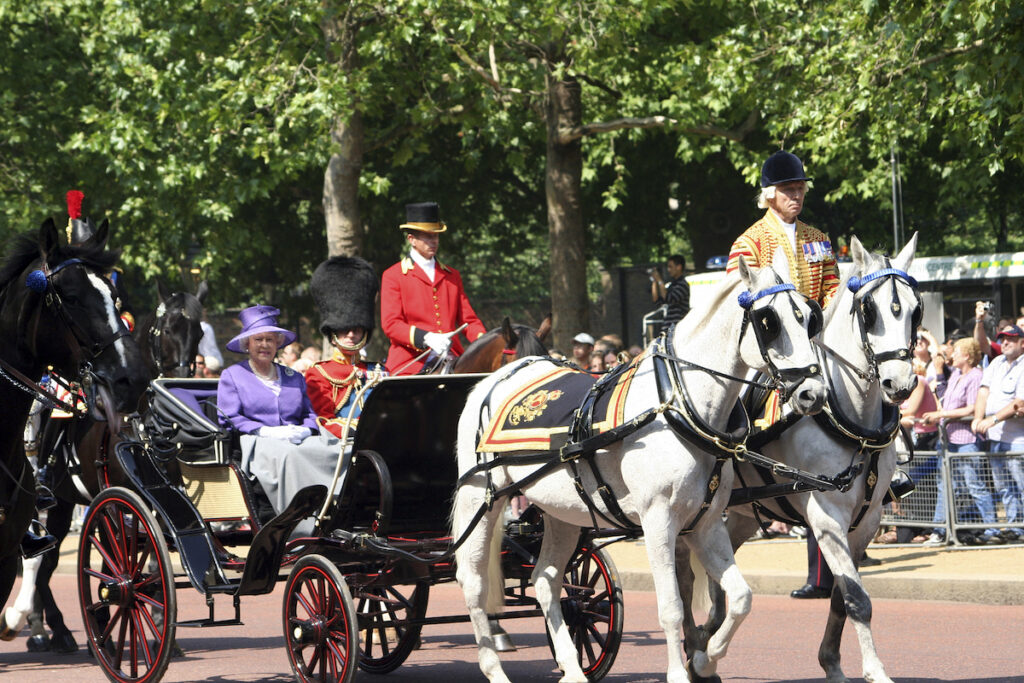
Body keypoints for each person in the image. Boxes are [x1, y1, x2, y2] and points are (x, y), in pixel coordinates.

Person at [724, 151, 841, 599]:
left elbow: (831, 287)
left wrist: (823, 322)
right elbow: (741, 296)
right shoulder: (749, 242)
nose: (798, 195)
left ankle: (892, 463)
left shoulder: (818, 238)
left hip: (814, 344)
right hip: (771, 349)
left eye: (801, 188)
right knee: (742, 404)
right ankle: (731, 460)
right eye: (790, 189)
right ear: (769, 194)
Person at [218, 306, 332, 532]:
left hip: (295, 440)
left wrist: (306, 430)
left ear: (277, 343)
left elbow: (310, 414)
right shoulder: (232, 375)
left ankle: (330, 507)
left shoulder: (294, 377)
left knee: (332, 450)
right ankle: (299, 522)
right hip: (254, 444)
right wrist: (264, 431)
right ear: (247, 344)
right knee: (291, 454)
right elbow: (228, 417)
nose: (264, 345)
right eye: (258, 339)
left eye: (270, 339)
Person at [381, 202, 487, 375]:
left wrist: (486, 341)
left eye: (436, 236)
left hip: (452, 358)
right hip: (411, 362)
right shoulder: (393, 275)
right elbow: (391, 324)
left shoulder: (452, 275)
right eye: (427, 236)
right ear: (411, 239)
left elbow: (469, 322)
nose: (434, 241)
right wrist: (426, 338)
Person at [921, 337, 1002, 545]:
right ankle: (940, 530)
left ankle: (992, 529)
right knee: (945, 485)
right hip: (948, 439)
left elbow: (971, 408)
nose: (952, 355)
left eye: (956, 351)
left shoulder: (976, 376)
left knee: (974, 484)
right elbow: (946, 399)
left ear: (967, 355)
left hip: (967, 440)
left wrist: (941, 415)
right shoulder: (956, 374)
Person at [306, 256, 387, 439]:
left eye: (357, 330)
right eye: (344, 330)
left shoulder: (380, 371)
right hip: (345, 442)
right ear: (333, 334)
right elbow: (323, 420)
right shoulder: (319, 373)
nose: (351, 335)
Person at [972, 325, 1024, 542]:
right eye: (1002, 339)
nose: (1004, 343)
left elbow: (1019, 402)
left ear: (1022, 343)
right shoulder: (996, 363)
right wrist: (977, 417)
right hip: (996, 438)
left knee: (1021, 486)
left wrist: (991, 419)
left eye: (1010, 339)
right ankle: (1015, 528)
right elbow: (983, 392)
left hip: (1018, 439)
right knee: (1004, 487)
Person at [649, 254, 690, 332]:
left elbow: (669, 298)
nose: (668, 270)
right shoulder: (672, 285)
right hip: (668, 329)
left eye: (670, 267)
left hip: (678, 329)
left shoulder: (683, 285)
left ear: (679, 267)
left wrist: (660, 280)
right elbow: (657, 301)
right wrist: (655, 281)